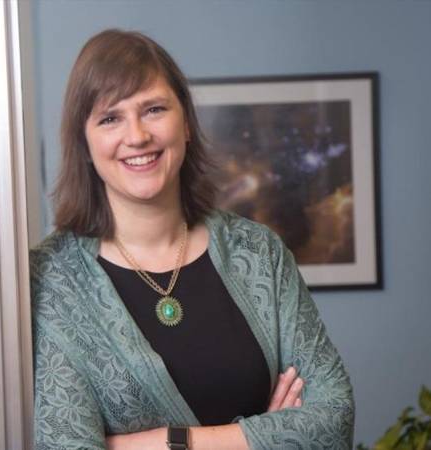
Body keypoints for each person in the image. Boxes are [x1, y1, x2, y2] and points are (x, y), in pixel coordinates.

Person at [30, 29, 354, 450]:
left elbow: (333, 418)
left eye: (154, 109)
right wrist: (262, 439)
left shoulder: (259, 253)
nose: (137, 135)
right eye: (110, 117)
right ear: (86, 144)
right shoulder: (49, 278)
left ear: (185, 123)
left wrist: (165, 441)